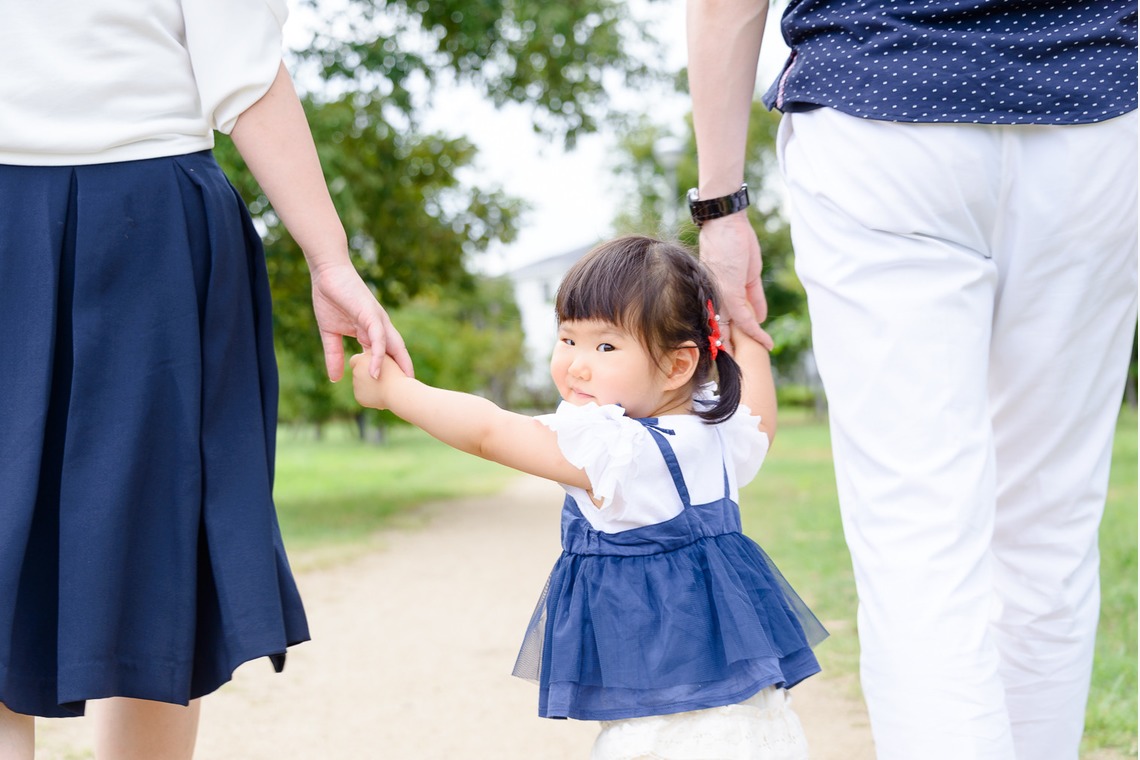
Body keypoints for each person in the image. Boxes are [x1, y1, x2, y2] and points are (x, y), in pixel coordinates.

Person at [685, 1, 1138, 758]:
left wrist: (722, 205)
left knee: (916, 533)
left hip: (883, 104)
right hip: (1091, 109)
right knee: (1051, 528)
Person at [0, 1, 410, 757]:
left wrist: (331, 262)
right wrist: (329, 261)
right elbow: (245, 75)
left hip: (140, 228)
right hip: (150, 228)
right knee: (152, 564)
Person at [350, 235, 827, 759]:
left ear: (677, 365)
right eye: (568, 340)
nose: (576, 364)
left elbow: (488, 431)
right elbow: (763, 412)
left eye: (605, 346)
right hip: (748, 714)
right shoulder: (718, 433)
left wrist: (393, 392)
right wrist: (747, 329)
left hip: (666, 723)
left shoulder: (619, 454)